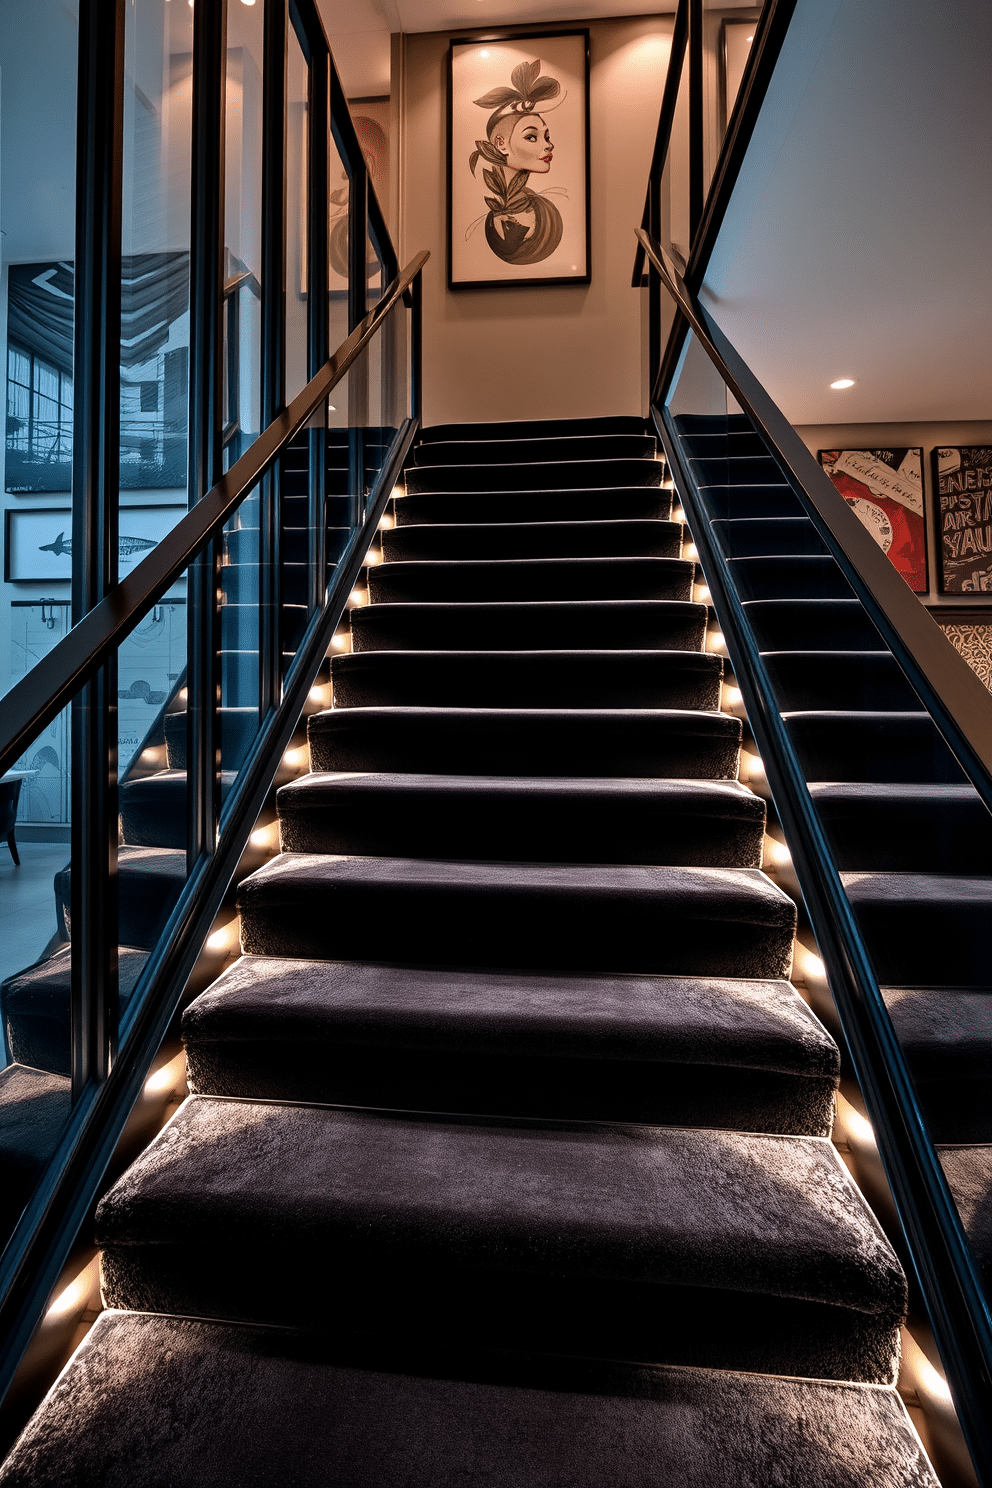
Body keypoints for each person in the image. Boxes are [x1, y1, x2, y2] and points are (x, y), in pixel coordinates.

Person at [468, 60, 564, 265]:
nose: (549, 146)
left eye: (546, 136)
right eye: (531, 137)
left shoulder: (542, 209)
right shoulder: (505, 216)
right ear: (501, 144)